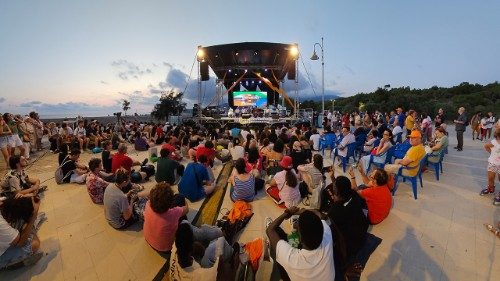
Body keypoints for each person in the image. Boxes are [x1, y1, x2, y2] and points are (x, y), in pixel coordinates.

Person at [266, 207, 336, 281]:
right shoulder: (327, 234)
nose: (295, 225)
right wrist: (303, 212)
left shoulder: (292, 259)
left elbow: (270, 230)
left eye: (297, 228)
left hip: (291, 263)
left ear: (300, 239)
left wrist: (287, 213)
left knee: (278, 238)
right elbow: (318, 214)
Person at [325, 174, 368, 261]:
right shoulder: (354, 194)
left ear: (336, 192)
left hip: (353, 245)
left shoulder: (334, 211)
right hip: (363, 232)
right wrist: (333, 178)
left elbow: (336, 231)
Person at [0, 197, 44, 270]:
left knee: (25, 226)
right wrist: (34, 215)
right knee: (35, 244)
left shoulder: (2, 201)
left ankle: (30, 226)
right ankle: (7, 265)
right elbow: (20, 242)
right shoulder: (1, 223)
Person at [143, 182, 188, 253]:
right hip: (165, 249)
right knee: (180, 197)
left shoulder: (148, 204)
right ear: (170, 202)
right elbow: (186, 209)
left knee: (178, 199)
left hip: (148, 238)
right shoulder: (173, 213)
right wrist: (184, 198)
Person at [480, 128, 500, 206]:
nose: (497, 137)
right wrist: (492, 153)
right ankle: (490, 188)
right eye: (497, 135)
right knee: (490, 178)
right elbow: (486, 146)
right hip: (493, 163)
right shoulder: (494, 142)